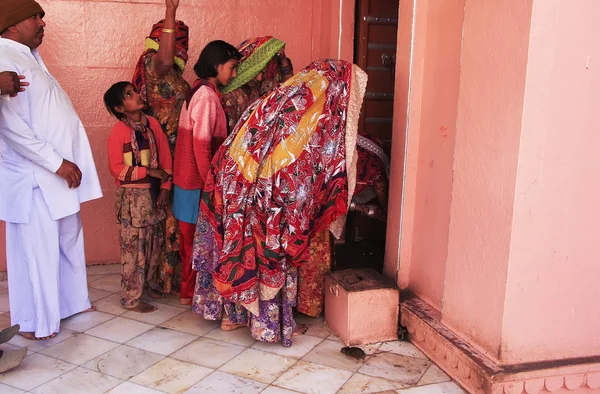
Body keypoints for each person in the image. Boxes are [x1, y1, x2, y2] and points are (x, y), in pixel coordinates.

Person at [199, 59, 368, 346]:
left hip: (235, 187)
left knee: (238, 249)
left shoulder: (270, 106)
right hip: (265, 197)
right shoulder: (305, 125)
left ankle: (233, 315)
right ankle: (268, 326)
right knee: (273, 252)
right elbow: (299, 178)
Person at [0, 0, 103, 340]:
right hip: (35, 175)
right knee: (37, 248)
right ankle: (35, 323)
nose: (42, 22)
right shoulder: (3, 57)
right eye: (34, 16)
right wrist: (57, 162)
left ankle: (73, 303)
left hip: (56, 173)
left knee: (68, 237)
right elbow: (11, 127)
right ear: (12, 24)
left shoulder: (28, 56)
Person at [172, 40, 242, 306]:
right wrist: (210, 184)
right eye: (232, 68)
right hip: (195, 182)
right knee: (194, 242)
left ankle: (187, 292)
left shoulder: (201, 91)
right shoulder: (206, 97)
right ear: (216, 65)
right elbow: (201, 145)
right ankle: (189, 293)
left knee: (190, 241)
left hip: (189, 180)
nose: (233, 74)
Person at [132, 0, 190, 296]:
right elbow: (165, 60)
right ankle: (156, 278)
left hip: (178, 151)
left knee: (172, 217)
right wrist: (171, 12)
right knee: (163, 215)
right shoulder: (153, 64)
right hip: (164, 151)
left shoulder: (175, 78)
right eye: (177, 40)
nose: (183, 48)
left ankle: (168, 277)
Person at [104, 82, 174, 313]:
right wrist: (147, 172)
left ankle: (150, 283)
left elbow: (165, 156)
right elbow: (116, 168)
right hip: (133, 198)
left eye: (135, 91)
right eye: (128, 95)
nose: (137, 95)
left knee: (155, 242)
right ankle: (131, 297)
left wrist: (165, 185)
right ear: (120, 107)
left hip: (154, 195)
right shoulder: (119, 132)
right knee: (133, 247)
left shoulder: (152, 124)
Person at [221, 36, 293, 133]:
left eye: (263, 72)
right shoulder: (230, 96)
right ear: (249, 68)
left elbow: (290, 87)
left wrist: (283, 59)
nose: (259, 78)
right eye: (256, 72)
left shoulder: (256, 86)